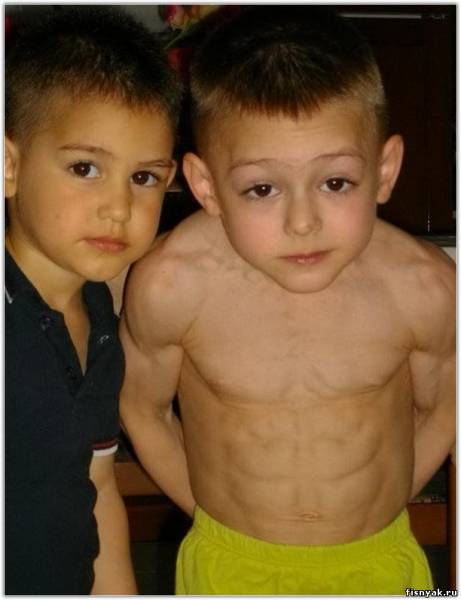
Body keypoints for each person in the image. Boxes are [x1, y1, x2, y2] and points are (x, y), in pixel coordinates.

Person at [119, 6, 455, 595]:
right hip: (229, 563)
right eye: (262, 189)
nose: (303, 222)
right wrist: (212, 514)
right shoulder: (173, 285)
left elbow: (446, 406)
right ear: (206, 186)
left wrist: (387, 499)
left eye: (335, 182)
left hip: (381, 559)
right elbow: (142, 409)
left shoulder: (422, 287)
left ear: (384, 170)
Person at [5, 6, 180, 594]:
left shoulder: (103, 319)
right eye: (85, 168)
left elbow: (99, 487)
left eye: (144, 177)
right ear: (9, 165)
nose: (119, 208)